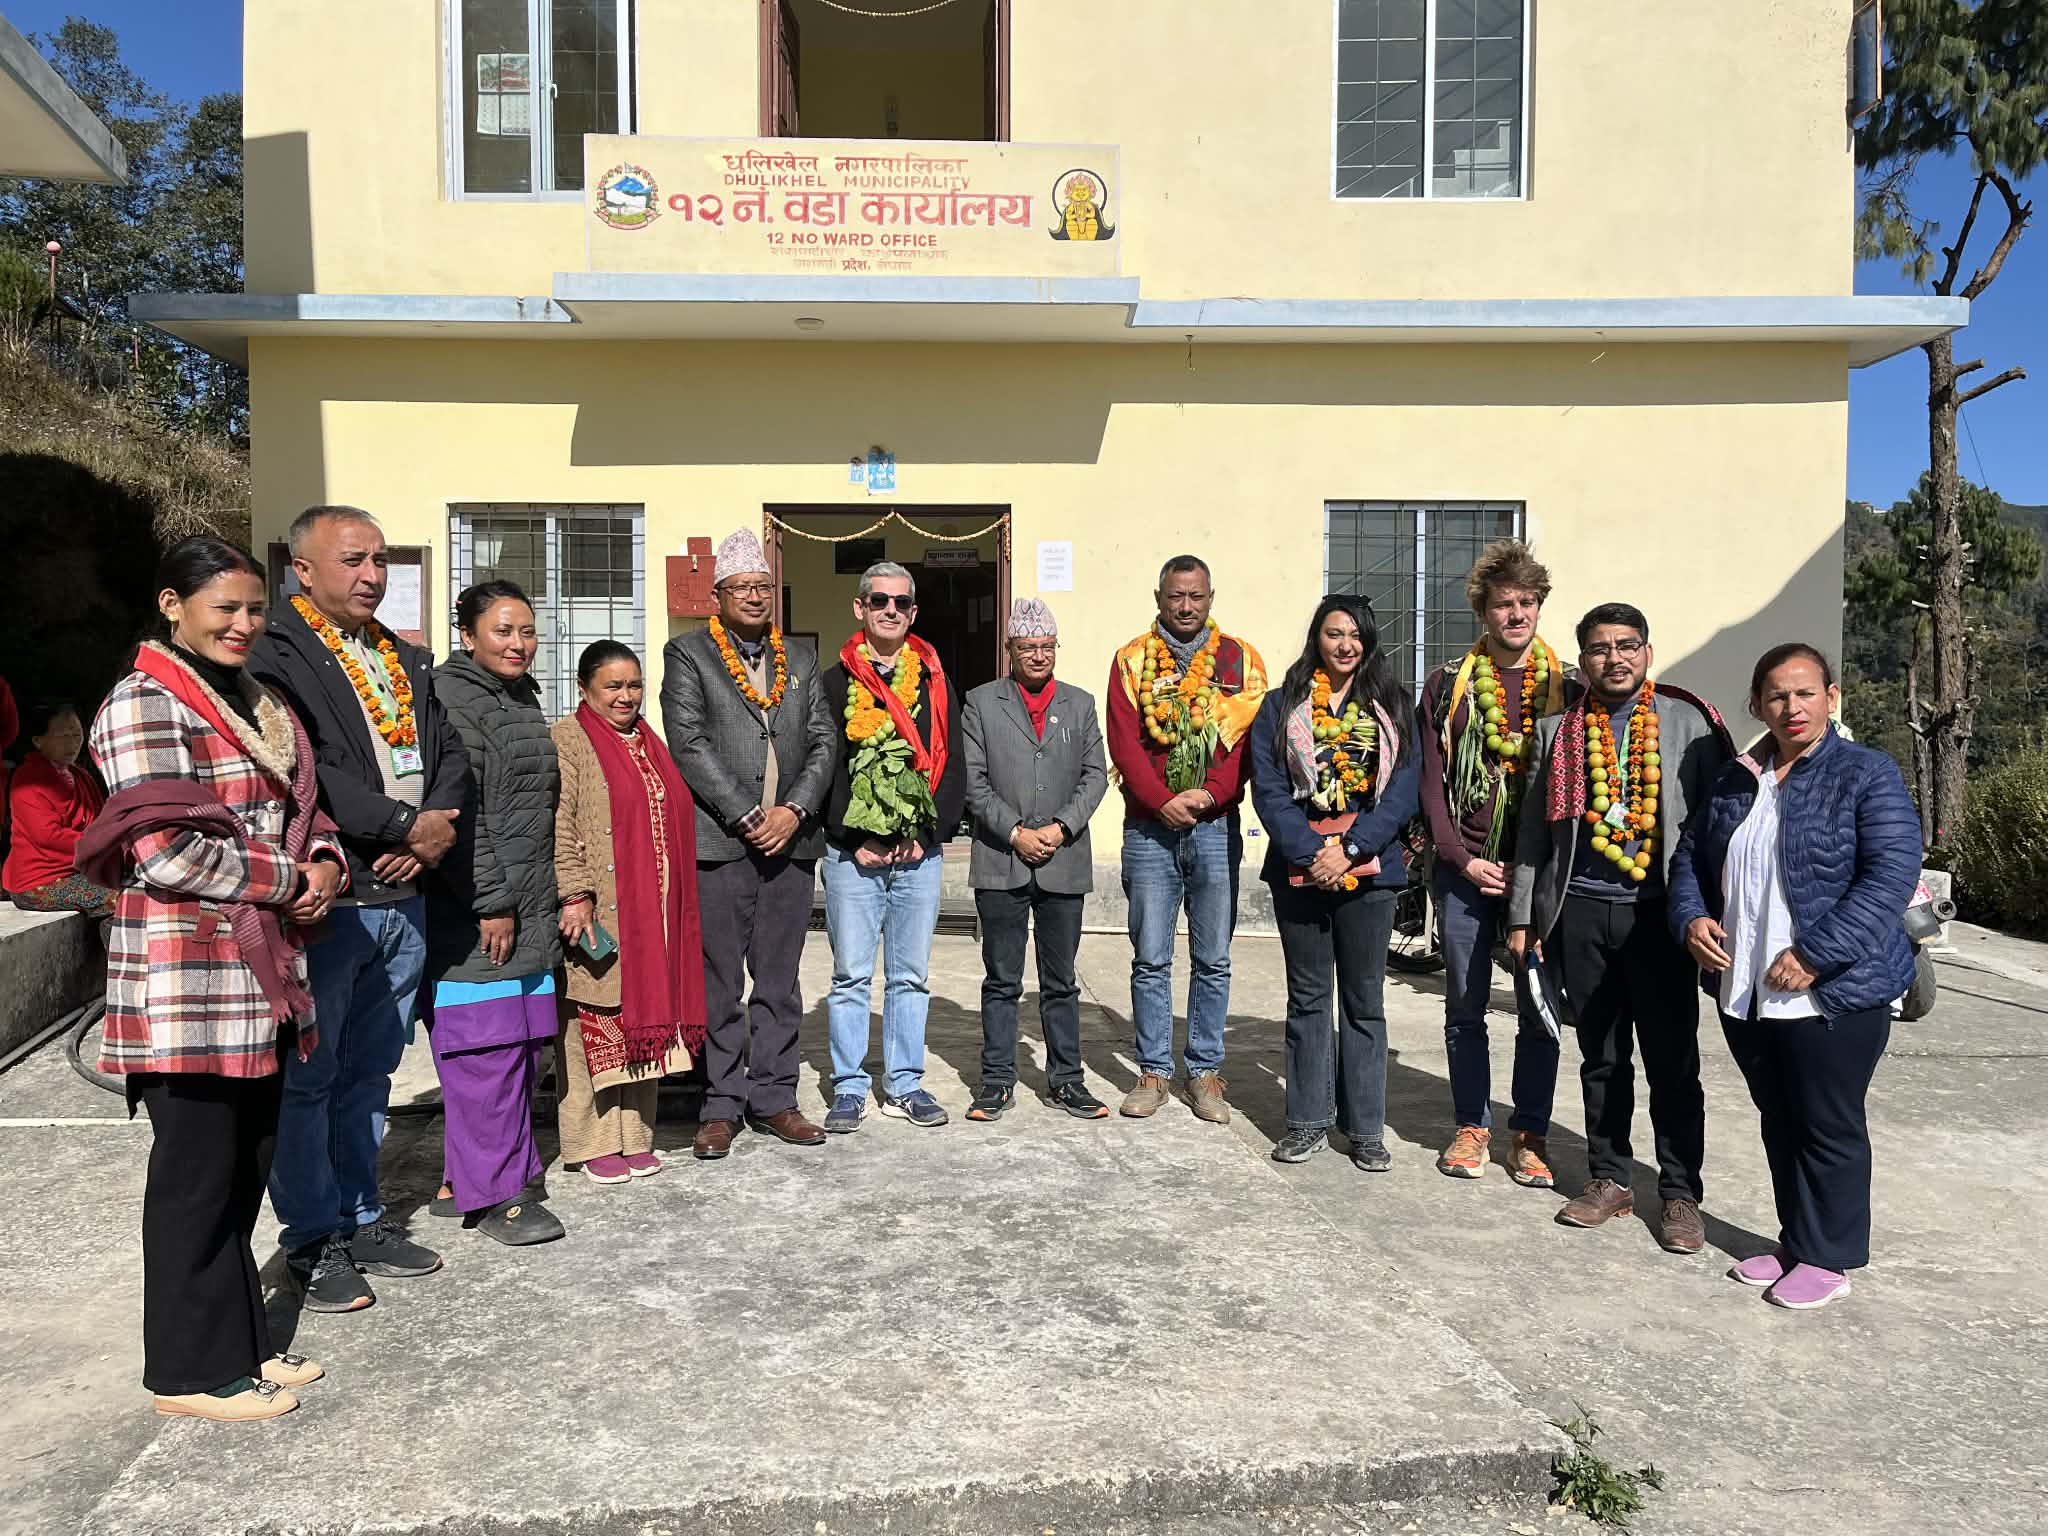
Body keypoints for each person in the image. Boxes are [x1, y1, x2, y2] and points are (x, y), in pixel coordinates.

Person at [78, 537, 346, 1421]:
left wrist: (326, 862)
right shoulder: (142, 701)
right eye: (224, 607)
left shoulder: (254, 699)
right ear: (172, 605)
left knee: (243, 1168)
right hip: (186, 979)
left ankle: (239, 1343)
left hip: (258, 974)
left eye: (254, 608)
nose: (243, 624)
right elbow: (165, 849)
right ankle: (189, 1374)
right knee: (195, 1179)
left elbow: (302, 810)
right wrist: (290, 879)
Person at [248, 504, 467, 1312]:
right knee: (312, 1077)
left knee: (371, 1071)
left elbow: (447, 753)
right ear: (302, 569)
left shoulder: (399, 654)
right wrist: (402, 826)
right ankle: (313, 1237)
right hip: (335, 897)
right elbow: (306, 768)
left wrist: (431, 832)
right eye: (353, 560)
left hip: (405, 894)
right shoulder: (275, 654)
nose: (372, 575)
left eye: (380, 560)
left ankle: (362, 1215)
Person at [1671, 644, 1920, 1310]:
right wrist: (1691, 918)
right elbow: (1689, 859)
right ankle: (1797, 1241)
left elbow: (1891, 875)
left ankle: (1830, 1257)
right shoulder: (1736, 778)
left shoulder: (1865, 773)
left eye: (1806, 693)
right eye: (1778, 695)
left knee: (1827, 1124)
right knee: (1779, 1119)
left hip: (1834, 992)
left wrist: (1815, 954)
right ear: (1758, 705)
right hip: (1747, 988)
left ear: (1831, 698)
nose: (1793, 707)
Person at [1507, 604, 1733, 1254]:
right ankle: (1609, 1178)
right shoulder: (1558, 732)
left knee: (1672, 1061)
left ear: (1647, 652)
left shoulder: (1689, 723)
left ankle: (1680, 1192)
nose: (1615, 658)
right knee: (1601, 1057)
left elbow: (1718, 828)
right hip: (1580, 911)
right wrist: (1522, 916)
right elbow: (1532, 832)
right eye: (1600, 648)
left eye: (1626, 645)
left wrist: (1717, 912)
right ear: (1583, 660)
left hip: (1661, 916)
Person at [659, 529, 834, 1160]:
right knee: (720, 982)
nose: (755, 597)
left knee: (780, 981)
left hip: (791, 844)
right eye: (742, 588)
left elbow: (824, 740)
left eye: (763, 587)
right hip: (721, 844)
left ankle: (776, 1098)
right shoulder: (688, 655)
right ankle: (721, 1104)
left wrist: (794, 810)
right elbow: (688, 742)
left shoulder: (801, 659)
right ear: (718, 597)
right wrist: (746, 814)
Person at [1417, 540, 1573, 1184]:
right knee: (1464, 1004)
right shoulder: (1448, 684)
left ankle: (1529, 1133)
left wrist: (1541, 874)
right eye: (1505, 604)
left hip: (1540, 879)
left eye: (1528, 603)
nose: (1517, 615)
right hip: (1465, 873)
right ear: (1483, 611)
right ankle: (1472, 1125)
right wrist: (1459, 858)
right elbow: (1430, 782)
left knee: (1537, 1005)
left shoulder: (1570, 687)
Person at [1249, 596, 1419, 1171]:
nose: (1346, 645)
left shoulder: (1393, 705)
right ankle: (1306, 1121)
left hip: (1370, 870)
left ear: (1368, 642)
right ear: (1316, 639)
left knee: (1364, 1001)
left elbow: (1403, 791)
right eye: (1334, 633)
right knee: (1308, 997)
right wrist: (1310, 852)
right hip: (1299, 870)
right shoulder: (1282, 706)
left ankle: (1365, 1128)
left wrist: (1349, 850)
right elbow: (1269, 787)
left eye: (1355, 635)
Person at [418, 582, 565, 1245]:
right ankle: (499, 1197)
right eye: (503, 631)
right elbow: (458, 814)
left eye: (527, 631)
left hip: (529, 905)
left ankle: (463, 1178)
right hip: (479, 913)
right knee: (486, 1055)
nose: (518, 643)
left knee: (521, 1052)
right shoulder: (451, 699)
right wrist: (491, 901)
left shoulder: (518, 696)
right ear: (468, 635)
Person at [1106, 553, 1268, 1124]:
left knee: (1213, 957)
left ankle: (1204, 1072)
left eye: (1196, 596)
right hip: (1149, 830)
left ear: (1211, 598)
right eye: (1175, 596)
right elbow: (1124, 741)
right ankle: (1153, 1071)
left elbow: (1249, 742)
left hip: (1216, 826)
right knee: (1151, 957)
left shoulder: (1241, 660)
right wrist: (1161, 800)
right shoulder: (1131, 659)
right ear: (1159, 599)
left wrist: (1210, 795)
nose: (1185, 606)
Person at [818, 560, 965, 1131]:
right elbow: (823, 768)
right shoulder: (834, 683)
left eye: (901, 602)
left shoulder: (934, 680)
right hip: (853, 857)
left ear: (913, 612)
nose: (890, 610)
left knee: (910, 977)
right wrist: (854, 838)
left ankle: (905, 1084)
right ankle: (849, 1087)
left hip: (917, 857)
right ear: (860, 607)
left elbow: (952, 765)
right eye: (879, 600)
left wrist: (926, 836)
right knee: (851, 977)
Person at [559, 641, 708, 1180]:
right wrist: (575, 894)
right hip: (600, 908)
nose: (626, 696)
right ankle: (591, 1141)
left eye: (634, 685)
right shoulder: (569, 741)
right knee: (593, 1023)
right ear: (584, 689)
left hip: (655, 913)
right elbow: (560, 823)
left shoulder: (649, 742)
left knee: (643, 1020)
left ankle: (634, 1136)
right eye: (613, 686)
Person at [959, 598, 1109, 1121]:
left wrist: (1061, 826)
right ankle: (997, 1080)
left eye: (1047, 646)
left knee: (1061, 981)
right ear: (1010, 649)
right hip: (1002, 859)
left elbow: (1095, 776)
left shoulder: (1080, 703)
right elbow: (973, 782)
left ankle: (1067, 1080)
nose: (1039, 656)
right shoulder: (981, 703)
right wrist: (1016, 832)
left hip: (1063, 859)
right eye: (1028, 647)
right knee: (1002, 979)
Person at [4, 700, 116, 919]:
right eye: (63, 736)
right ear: (38, 741)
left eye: (76, 735)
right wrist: (102, 844)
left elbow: (102, 822)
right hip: (38, 881)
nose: (72, 743)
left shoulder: (81, 776)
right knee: (121, 898)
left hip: (81, 872)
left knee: (143, 888)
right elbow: (48, 836)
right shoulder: (28, 780)